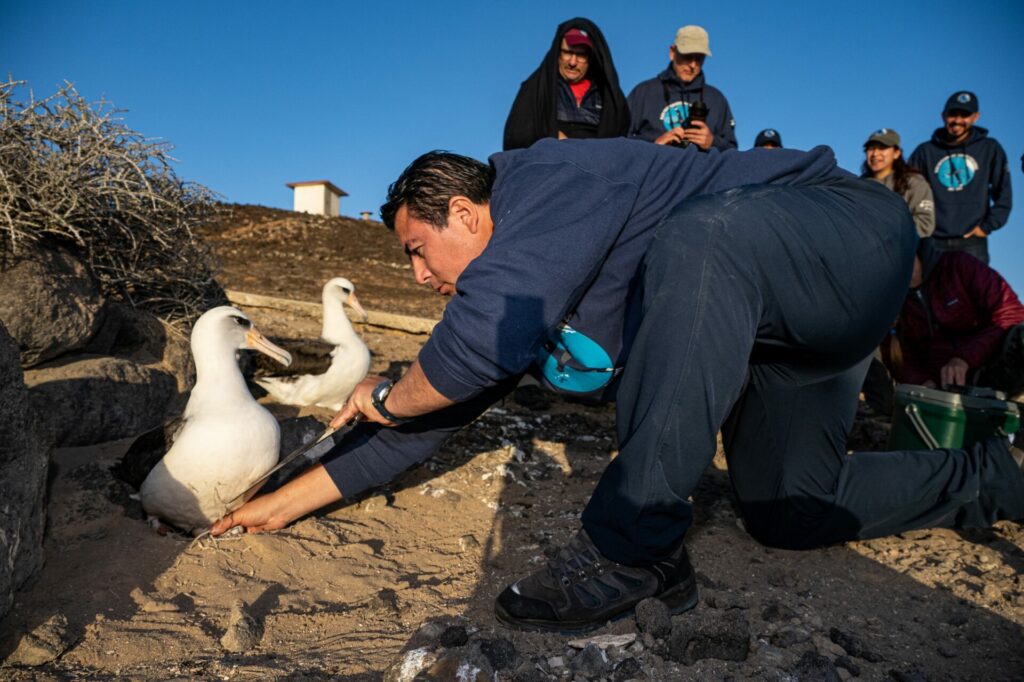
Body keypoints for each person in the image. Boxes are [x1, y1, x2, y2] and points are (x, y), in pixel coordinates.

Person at [212, 139, 1024, 634]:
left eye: (419, 250)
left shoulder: (543, 183)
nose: (421, 276)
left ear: (465, 212)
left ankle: (635, 550)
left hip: (844, 237)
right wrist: (278, 506)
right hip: (787, 335)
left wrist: (389, 392)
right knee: (789, 508)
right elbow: (444, 406)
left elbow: (447, 368)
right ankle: (995, 476)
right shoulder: (519, 301)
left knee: (700, 240)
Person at [880, 239, 1024, 398]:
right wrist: (922, 381)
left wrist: (964, 359)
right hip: (941, 387)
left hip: (990, 368)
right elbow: (895, 351)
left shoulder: (958, 266)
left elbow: (1011, 313)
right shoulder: (889, 297)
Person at [908, 91, 1012, 263]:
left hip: (972, 242)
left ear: (976, 117)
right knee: (932, 290)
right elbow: (909, 191)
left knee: (973, 290)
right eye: (952, 114)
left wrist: (986, 227)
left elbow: (1004, 193)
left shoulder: (989, 148)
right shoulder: (925, 152)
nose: (957, 120)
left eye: (965, 115)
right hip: (933, 241)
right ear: (943, 116)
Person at [503, 18, 629, 151]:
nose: (573, 62)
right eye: (567, 52)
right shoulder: (535, 90)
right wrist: (552, 136)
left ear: (591, 57)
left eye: (581, 55)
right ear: (557, 53)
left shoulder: (610, 97)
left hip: (598, 163)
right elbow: (516, 137)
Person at [626, 25, 737, 150]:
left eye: (699, 58)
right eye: (687, 56)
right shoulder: (643, 92)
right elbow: (619, 142)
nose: (693, 65)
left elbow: (732, 152)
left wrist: (713, 142)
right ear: (672, 52)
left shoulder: (717, 99)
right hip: (656, 168)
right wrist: (654, 145)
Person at [862, 128, 935, 238]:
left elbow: (925, 223)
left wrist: (886, 232)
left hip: (902, 251)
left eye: (882, 148)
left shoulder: (913, 182)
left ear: (896, 153)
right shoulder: (859, 185)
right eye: (871, 148)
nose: (875, 154)